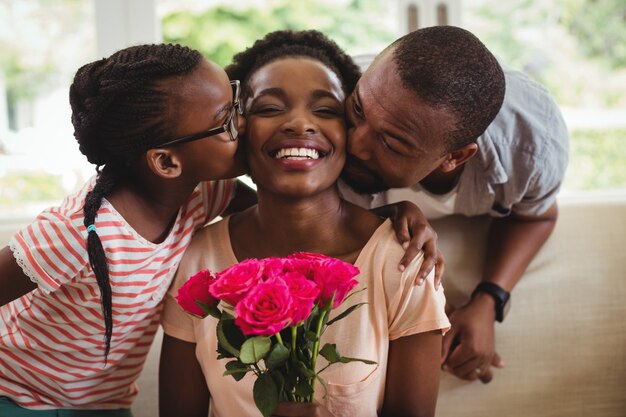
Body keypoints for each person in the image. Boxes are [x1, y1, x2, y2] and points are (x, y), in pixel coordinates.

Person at [159, 30, 450, 417]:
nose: (299, 123)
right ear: (237, 129)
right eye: (269, 108)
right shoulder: (197, 261)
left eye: (326, 110)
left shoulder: (404, 262)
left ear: (350, 132)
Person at [0, 43, 254, 415]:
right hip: (16, 396)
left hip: (104, 404)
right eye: (226, 120)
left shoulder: (206, 193)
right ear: (166, 161)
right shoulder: (77, 232)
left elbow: (277, 212)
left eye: (237, 102)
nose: (245, 123)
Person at [338, 25, 569, 384]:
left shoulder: (531, 149)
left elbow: (536, 217)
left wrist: (489, 300)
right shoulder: (332, 93)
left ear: (455, 157)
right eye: (358, 110)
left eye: (392, 144)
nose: (355, 145)